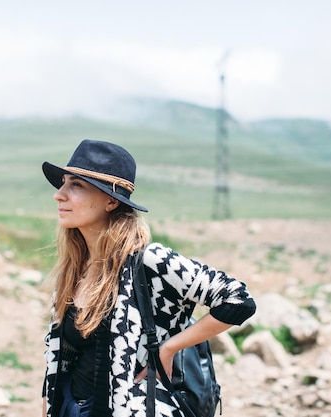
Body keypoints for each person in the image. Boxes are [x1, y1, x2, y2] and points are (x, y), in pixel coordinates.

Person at [41, 139, 256, 417]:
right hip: (71, 406)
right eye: (63, 183)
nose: (59, 195)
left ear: (110, 200)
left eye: (76, 185)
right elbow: (61, 356)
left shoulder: (149, 261)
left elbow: (239, 300)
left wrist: (169, 348)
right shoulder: (75, 265)